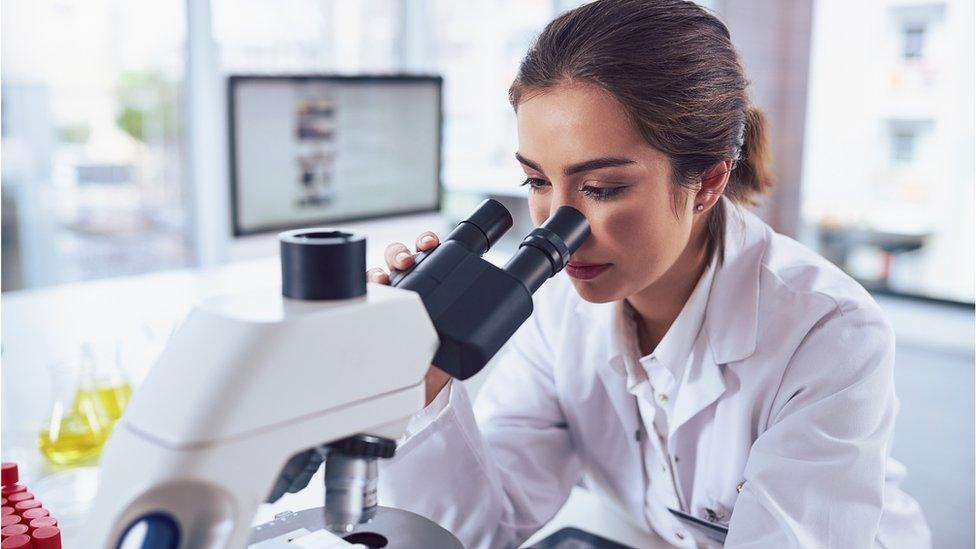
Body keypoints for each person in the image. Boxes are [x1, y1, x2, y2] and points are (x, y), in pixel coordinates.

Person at [358, 1, 933, 547]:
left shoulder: (829, 330)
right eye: (536, 182)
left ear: (707, 182)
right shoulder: (560, 310)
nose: (556, 229)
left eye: (602, 188)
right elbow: (481, 531)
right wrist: (426, 380)